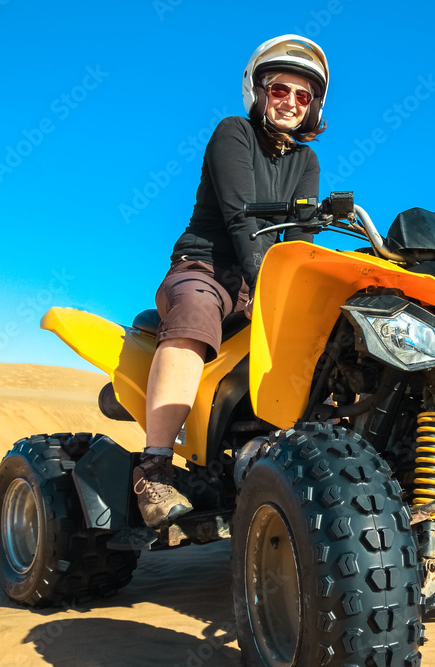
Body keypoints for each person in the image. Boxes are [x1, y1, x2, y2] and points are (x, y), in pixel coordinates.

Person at [132, 35, 329, 527]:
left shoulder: (306, 161)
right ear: (258, 89)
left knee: (330, 343)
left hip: (261, 280)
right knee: (196, 315)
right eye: (281, 89)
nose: (290, 102)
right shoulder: (233, 132)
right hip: (205, 269)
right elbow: (242, 218)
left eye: (303, 96)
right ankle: (153, 467)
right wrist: (269, 285)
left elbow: (301, 236)